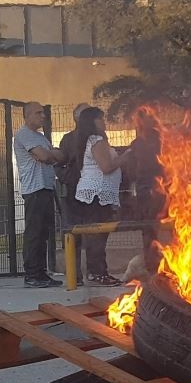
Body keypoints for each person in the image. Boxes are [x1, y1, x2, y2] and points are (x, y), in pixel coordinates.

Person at [75, 106, 130, 286]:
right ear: (92, 122)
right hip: (96, 195)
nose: (104, 122)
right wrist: (125, 156)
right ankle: (98, 272)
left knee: (97, 235)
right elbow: (106, 167)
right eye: (100, 119)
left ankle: (96, 272)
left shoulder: (91, 140)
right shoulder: (96, 140)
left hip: (97, 194)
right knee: (97, 235)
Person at [13, 102, 64, 288]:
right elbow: (45, 157)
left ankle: (42, 274)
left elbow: (58, 155)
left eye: (43, 113)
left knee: (44, 232)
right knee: (34, 232)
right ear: (26, 115)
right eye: (38, 113)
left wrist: (49, 155)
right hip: (34, 189)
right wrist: (49, 156)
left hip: (46, 187)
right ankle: (32, 274)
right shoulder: (24, 134)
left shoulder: (40, 137)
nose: (43, 116)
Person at [126, 105, 165, 274]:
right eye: (149, 116)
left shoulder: (162, 138)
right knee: (149, 230)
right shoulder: (137, 144)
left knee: (171, 229)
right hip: (146, 191)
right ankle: (152, 268)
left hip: (166, 190)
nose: (154, 119)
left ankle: (168, 266)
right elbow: (131, 170)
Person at [56, 103, 91, 277]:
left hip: (93, 193)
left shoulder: (96, 137)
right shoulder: (68, 139)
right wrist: (67, 177)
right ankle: (75, 274)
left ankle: (95, 272)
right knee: (73, 233)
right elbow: (58, 162)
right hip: (73, 192)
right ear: (77, 118)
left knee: (94, 232)